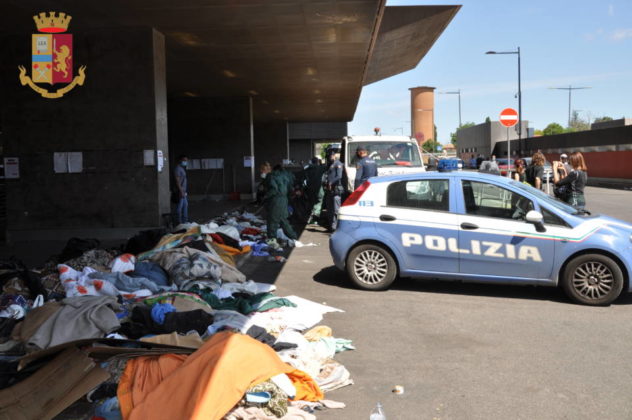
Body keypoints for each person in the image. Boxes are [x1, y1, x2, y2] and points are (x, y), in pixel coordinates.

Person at [263, 164, 298, 247]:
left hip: (275, 201)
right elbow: (290, 188)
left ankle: (272, 241)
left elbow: (273, 189)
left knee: (272, 221)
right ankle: (293, 236)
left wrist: (265, 196)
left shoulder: (271, 176)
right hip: (284, 200)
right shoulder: (285, 176)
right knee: (283, 220)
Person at [302, 157, 326, 224]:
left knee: (311, 201)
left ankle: (310, 218)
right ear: (317, 161)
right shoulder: (320, 168)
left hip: (309, 187)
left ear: (311, 162)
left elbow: (303, 174)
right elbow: (327, 167)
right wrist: (321, 163)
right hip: (318, 187)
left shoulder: (307, 168)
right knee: (321, 198)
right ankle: (315, 213)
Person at [325, 152, 344, 231]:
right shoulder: (332, 164)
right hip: (331, 189)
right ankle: (332, 225)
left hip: (336, 189)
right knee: (330, 208)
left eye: (331, 155)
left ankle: (336, 227)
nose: (330, 157)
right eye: (329, 156)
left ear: (334, 156)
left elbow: (339, 176)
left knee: (336, 209)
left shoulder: (338, 164)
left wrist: (330, 182)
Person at [173, 155, 189, 225]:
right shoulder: (178, 169)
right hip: (180, 191)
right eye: (184, 160)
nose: (185, 162)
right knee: (179, 208)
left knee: (185, 205)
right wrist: (181, 191)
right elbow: (177, 181)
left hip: (183, 191)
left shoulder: (182, 168)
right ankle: (179, 223)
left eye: (186, 160)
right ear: (180, 160)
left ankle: (185, 222)